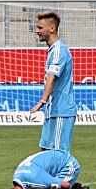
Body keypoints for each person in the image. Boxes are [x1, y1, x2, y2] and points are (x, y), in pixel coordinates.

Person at [29, 11, 76, 152]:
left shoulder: (59, 50)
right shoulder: (52, 50)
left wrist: (43, 100)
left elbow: (52, 77)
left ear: (52, 28)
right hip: (52, 110)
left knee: (56, 155)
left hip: (61, 111)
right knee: (44, 152)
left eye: (40, 27)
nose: (37, 31)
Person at [1, 151, 96, 189]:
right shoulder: (17, 178)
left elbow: (66, 185)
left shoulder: (35, 181)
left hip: (68, 165)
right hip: (53, 165)